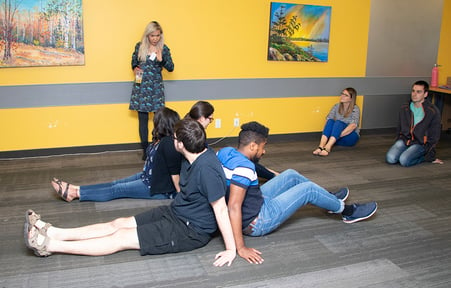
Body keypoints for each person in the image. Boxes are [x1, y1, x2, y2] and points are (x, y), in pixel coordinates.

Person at [24, 119, 237, 267]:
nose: (172, 141)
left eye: (174, 138)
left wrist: (231, 250)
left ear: (181, 144)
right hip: (176, 213)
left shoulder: (207, 169)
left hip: (190, 231)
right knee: (117, 223)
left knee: (120, 238)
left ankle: (50, 245)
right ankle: (55, 232)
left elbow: (220, 209)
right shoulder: (193, 154)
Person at [217, 121, 377, 264]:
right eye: (262, 147)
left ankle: (328, 199)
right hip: (258, 220)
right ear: (252, 146)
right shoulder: (245, 168)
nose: (264, 151)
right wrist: (241, 247)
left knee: (291, 174)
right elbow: (234, 207)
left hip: (254, 201)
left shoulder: (225, 152)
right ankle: (347, 211)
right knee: (308, 190)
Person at [51, 107, 182, 202]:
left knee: (117, 190)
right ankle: (77, 188)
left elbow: (175, 173)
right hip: (147, 177)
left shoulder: (169, 143)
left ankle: (75, 193)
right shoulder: (160, 139)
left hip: (156, 188)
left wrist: (180, 196)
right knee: (114, 184)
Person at [185, 100, 279, 180]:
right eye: (210, 119)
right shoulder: (195, 135)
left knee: (239, 157)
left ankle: (271, 173)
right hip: (211, 168)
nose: (210, 122)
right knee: (241, 160)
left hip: (213, 163)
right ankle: (272, 174)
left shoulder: (190, 130)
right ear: (201, 118)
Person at [129, 21, 174, 160]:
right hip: (141, 86)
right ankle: (145, 150)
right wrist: (135, 68)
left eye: (158, 36)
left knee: (159, 120)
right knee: (142, 120)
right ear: (147, 35)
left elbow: (171, 68)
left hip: (155, 88)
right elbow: (133, 62)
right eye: (152, 35)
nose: (155, 38)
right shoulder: (140, 47)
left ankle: (157, 147)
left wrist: (161, 60)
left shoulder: (164, 49)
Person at [386, 80, 443, 167]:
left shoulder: (433, 111)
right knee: (390, 158)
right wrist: (399, 140)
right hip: (405, 140)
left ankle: (424, 158)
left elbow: (435, 136)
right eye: (413, 91)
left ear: (425, 94)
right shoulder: (404, 108)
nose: (414, 94)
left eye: (419, 92)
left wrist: (429, 154)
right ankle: (408, 151)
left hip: (421, 143)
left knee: (404, 160)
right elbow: (399, 128)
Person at [313, 87, 360, 156]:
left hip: (350, 137)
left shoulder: (355, 109)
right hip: (335, 138)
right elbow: (328, 120)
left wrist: (336, 135)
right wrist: (331, 135)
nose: (342, 96)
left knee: (338, 123)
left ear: (351, 99)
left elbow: (353, 126)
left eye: (346, 95)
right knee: (330, 121)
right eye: (342, 94)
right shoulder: (336, 106)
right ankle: (321, 146)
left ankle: (327, 147)